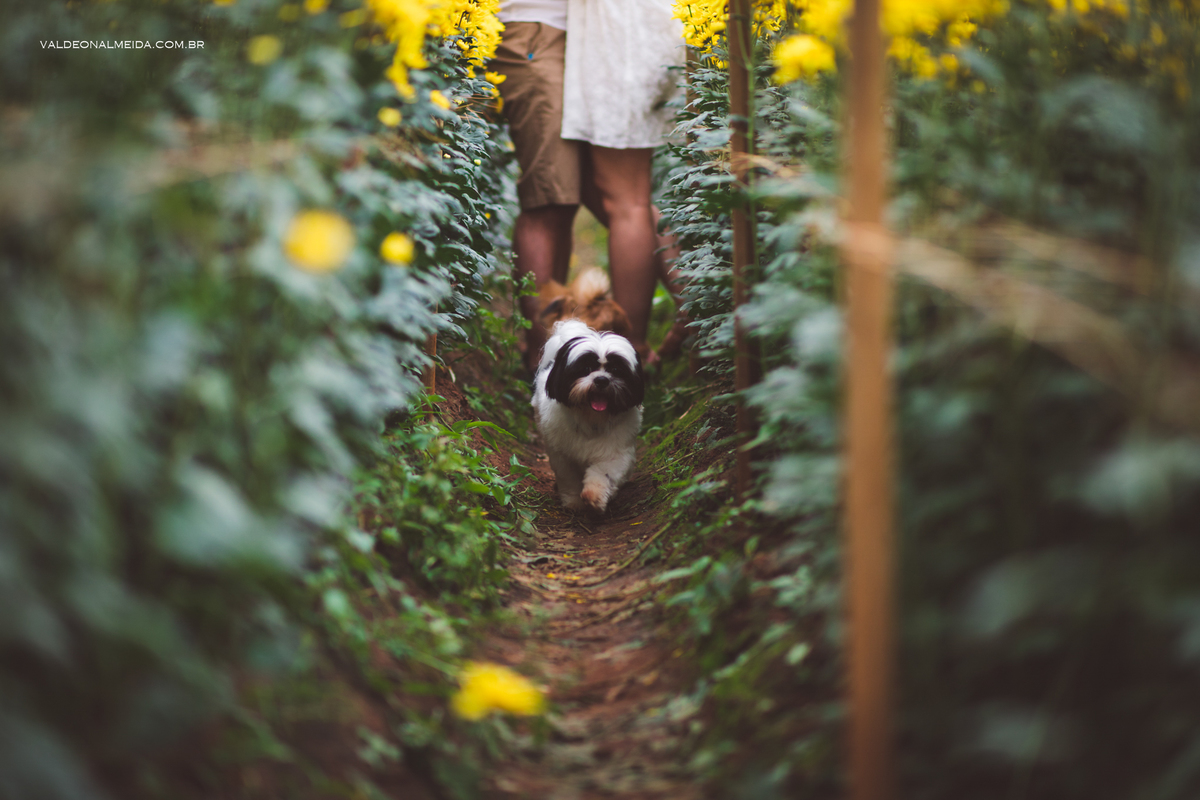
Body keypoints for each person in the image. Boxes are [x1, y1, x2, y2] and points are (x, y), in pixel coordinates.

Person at [489, 0, 687, 371]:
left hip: (597, 40)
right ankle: (548, 357)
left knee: (612, 200)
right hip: (547, 32)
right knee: (560, 198)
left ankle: (630, 345)